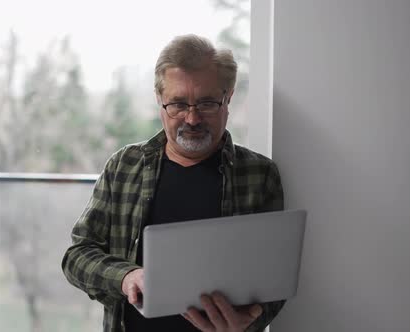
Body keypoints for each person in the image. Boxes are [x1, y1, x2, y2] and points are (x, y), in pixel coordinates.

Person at [62, 34, 285, 332]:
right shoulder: (124, 166)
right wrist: (126, 277)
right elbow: (77, 256)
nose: (192, 119)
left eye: (206, 103)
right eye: (178, 104)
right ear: (159, 99)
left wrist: (251, 320)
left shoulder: (260, 174)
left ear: (228, 98)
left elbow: (275, 275)